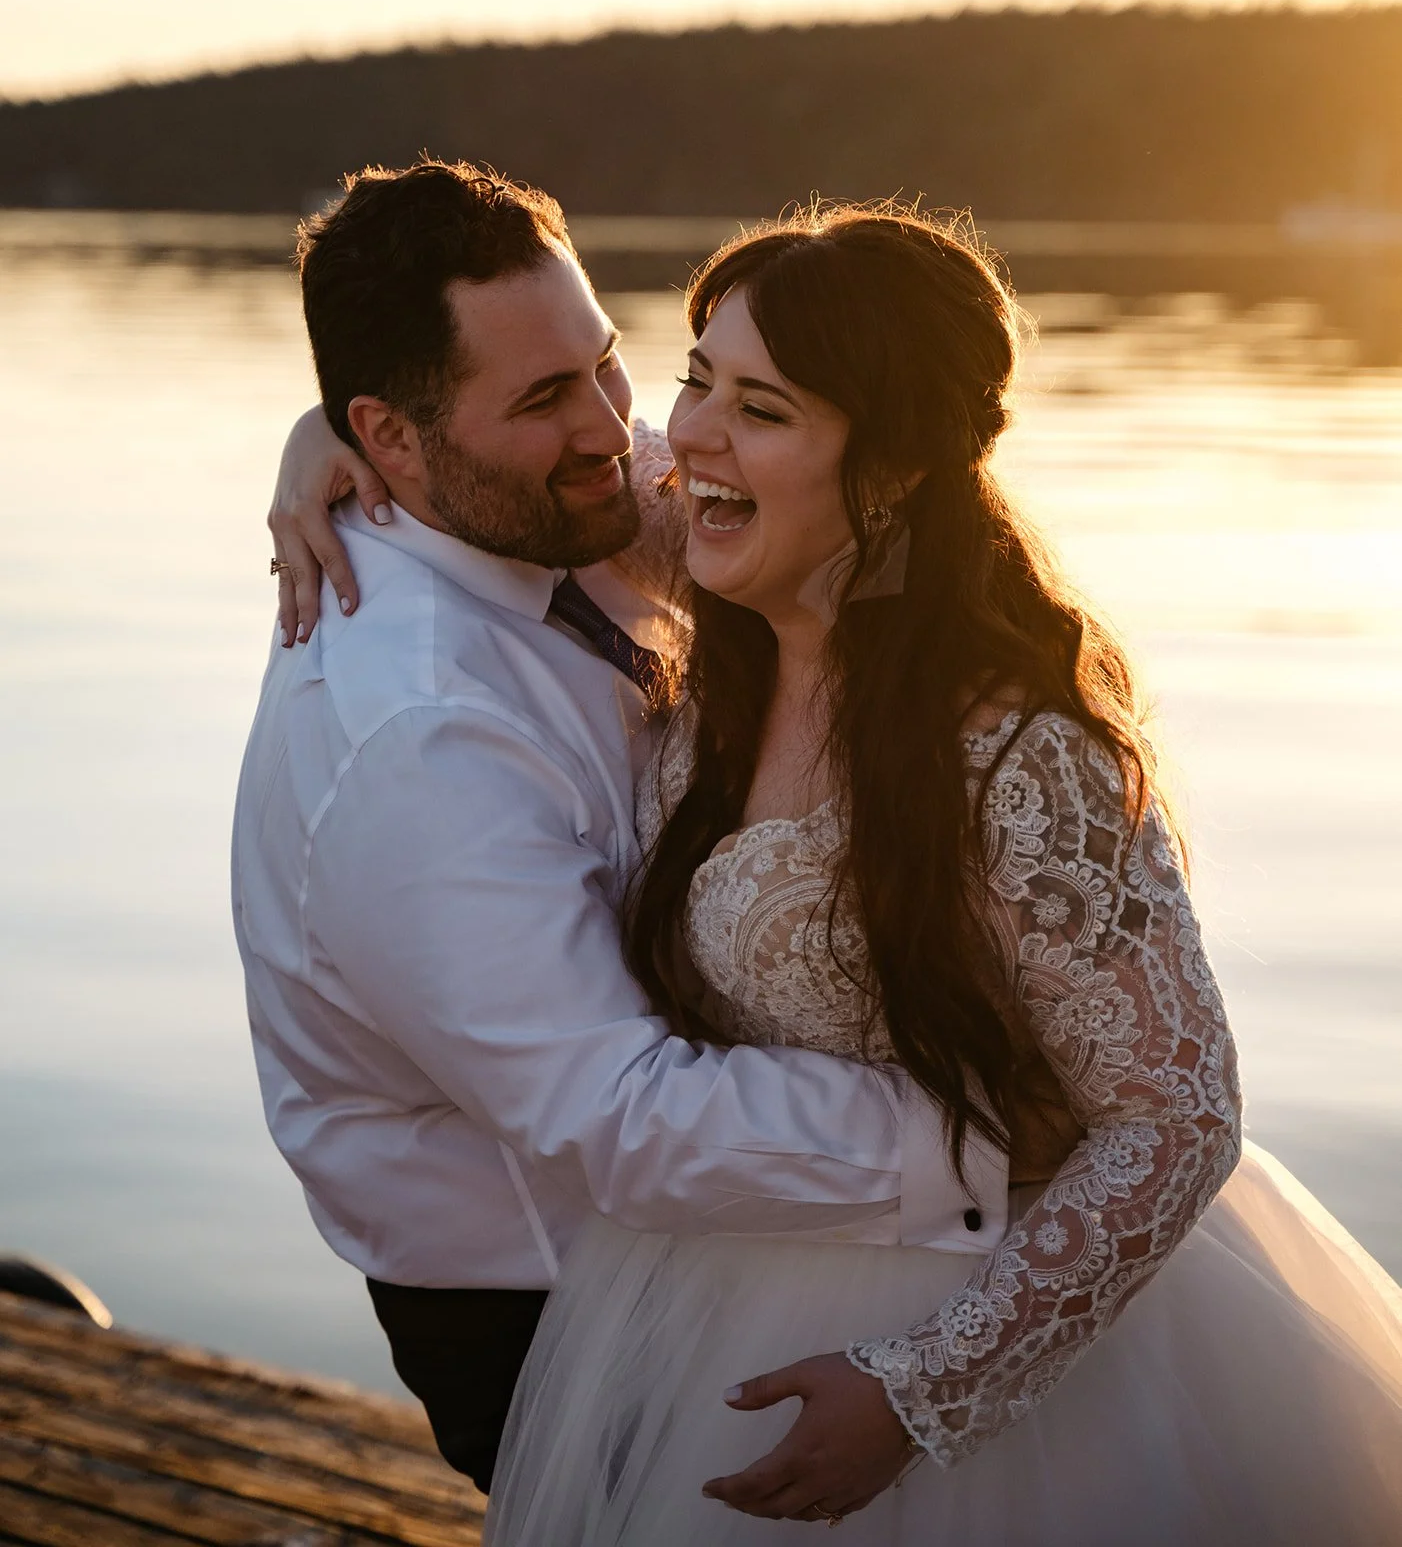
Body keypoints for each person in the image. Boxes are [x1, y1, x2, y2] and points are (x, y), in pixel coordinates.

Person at [271, 195, 1402, 1542]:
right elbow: (489, 452)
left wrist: (925, 1391)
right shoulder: (702, 558)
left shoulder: (1014, 748)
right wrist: (333, 437)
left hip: (987, 1348)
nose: (673, 436)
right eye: (693, 378)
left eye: (760, 405)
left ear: (892, 467)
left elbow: (1178, 1120)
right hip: (702, 1302)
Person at [233, 163, 1031, 1501]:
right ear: (398, 441)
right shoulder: (415, 732)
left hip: (726, 1229)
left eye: (605, 363)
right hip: (544, 1305)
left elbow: (787, 469)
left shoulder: (550, 510)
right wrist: (996, 1143)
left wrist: (318, 424)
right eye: (544, 398)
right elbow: (617, 1118)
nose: (618, 428)